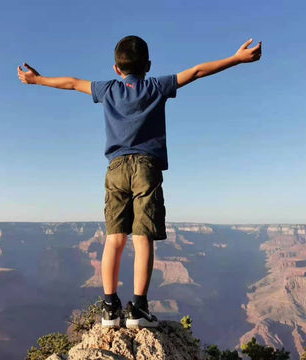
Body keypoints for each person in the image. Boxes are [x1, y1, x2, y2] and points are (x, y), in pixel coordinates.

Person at [17, 35, 262, 329]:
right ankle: (139, 309)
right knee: (143, 237)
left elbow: (71, 82)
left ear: (116, 69)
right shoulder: (155, 86)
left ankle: (109, 308)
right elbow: (196, 71)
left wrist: (38, 80)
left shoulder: (107, 89)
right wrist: (235, 59)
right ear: (148, 65)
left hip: (116, 168)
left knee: (115, 238)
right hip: (146, 167)